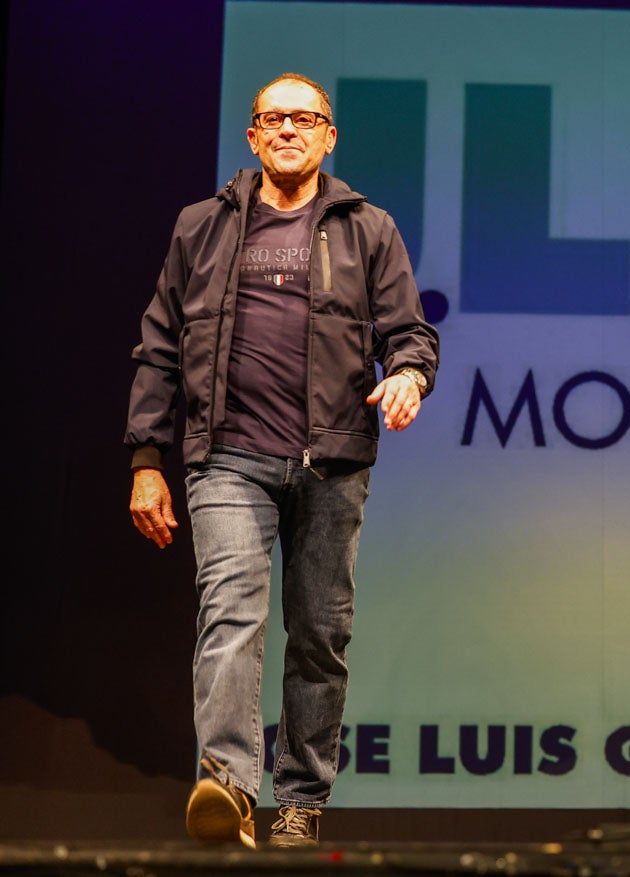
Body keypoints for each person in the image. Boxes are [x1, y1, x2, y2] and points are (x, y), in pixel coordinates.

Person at [125, 72, 441, 849]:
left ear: (329, 136)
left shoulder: (369, 228)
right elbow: (159, 345)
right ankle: (229, 785)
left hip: (331, 462)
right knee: (231, 610)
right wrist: (145, 456)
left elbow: (410, 332)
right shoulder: (202, 226)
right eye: (274, 118)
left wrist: (407, 374)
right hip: (226, 456)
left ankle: (300, 799)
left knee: (318, 635)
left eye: (306, 118)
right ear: (253, 136)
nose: (289, 129)